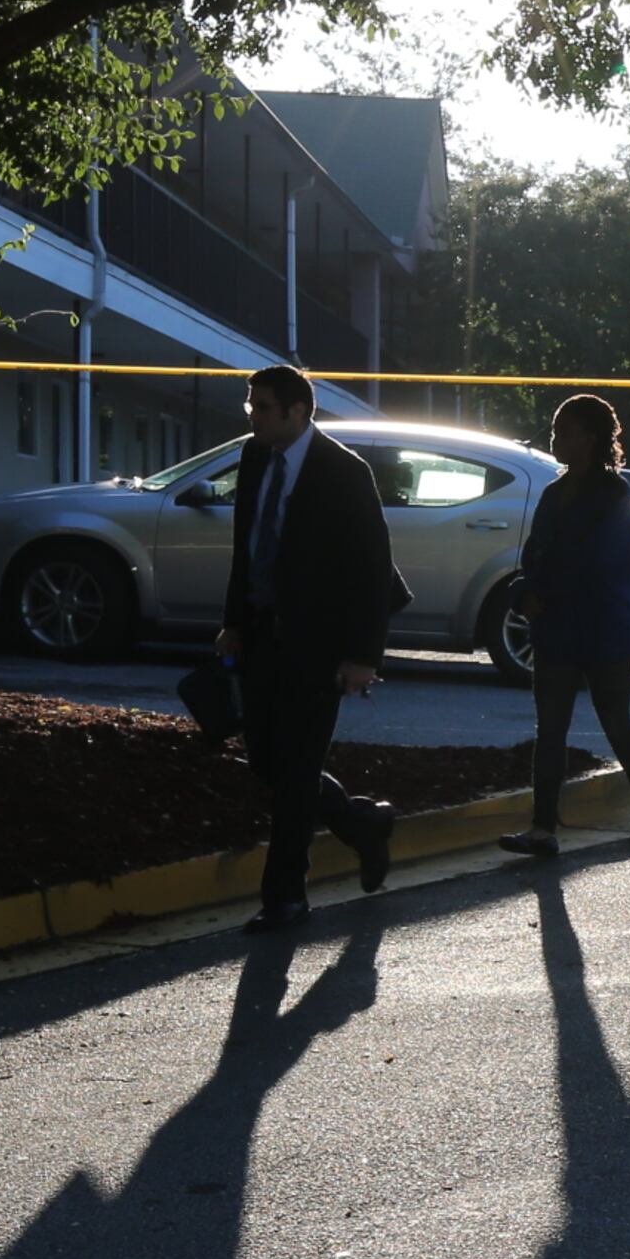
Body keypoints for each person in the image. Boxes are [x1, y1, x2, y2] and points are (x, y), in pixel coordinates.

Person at [217, 366, 402, 933]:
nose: (252, 416)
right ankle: (362, 825)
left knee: (296, 769)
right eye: (251, 405)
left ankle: (285, 899)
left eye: (263, 407)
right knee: (271, 763)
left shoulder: (344, 472)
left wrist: (363, 656)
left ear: (299, 411)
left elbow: (373, 571)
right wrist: (234, 622)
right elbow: (245, 550)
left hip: (319, 646)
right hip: (261, 637)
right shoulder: (252, 460)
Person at [498, 394, 630, 860]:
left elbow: (600, 561)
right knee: (550, 728)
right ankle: (541, 828)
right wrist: (525, 590)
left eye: (565, 430)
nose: (556, 438)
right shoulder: (553, 494)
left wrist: (543, 591)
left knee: (615, 720)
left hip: (605, 628)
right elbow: (534, 554)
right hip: (556, 627)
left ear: (591, 438)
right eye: (555, 429)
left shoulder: (615, 494)